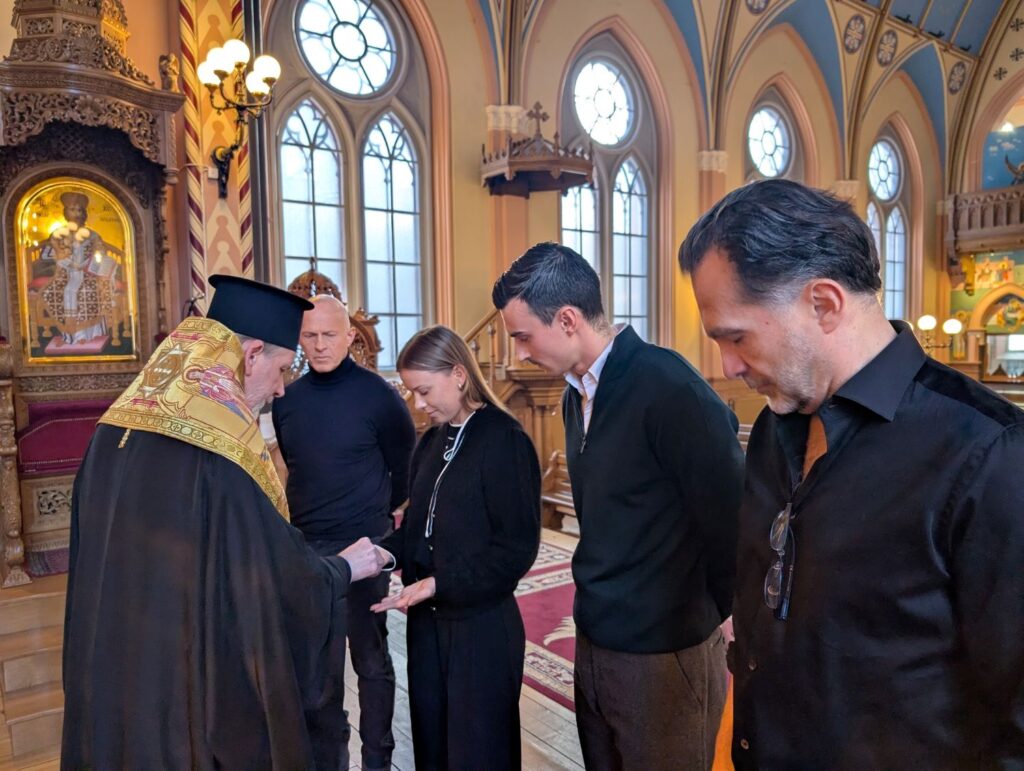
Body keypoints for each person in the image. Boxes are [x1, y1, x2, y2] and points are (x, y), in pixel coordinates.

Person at [678, 178, 1024, 768]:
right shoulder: (774, 430)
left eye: (735, 337)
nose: (728, 366)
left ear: (824, 303)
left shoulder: (989, 452)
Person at [62, 274, 387, 770]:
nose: (281, 388)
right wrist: (342, 569)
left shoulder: (113, 429)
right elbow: (272, 581)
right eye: (282, 369)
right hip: (184, 700)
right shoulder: (221, 458)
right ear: (250, 356)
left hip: (113, 680)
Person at [492, 243, 744, 771]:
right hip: (596, 637)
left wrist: (706, 618)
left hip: (664, 648)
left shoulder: (669, 388)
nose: (519, 353)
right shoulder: (575, 394)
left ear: (567, 320)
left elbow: (732, 520)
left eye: (523, 336)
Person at [370, 325, 541, 770]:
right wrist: (383, 553)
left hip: (481, 630)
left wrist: (438, 584)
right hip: (427, 627)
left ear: (459, 375)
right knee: (433, 749)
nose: (418, 404)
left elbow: (516, 550)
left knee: (478, 755)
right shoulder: (430, 442)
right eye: (411, 392)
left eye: (424, 391)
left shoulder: (505, 440)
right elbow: (418, 529)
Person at [272, 294, 416, 771]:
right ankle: (329, 759)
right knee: (319, 669)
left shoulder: (380, 396)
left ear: (350, 336)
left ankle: (378, 760)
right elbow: (294, 466)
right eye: (309, 336)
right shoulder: (287, 400)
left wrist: (377, 522)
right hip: (309, 550)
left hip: (367, 546)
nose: (319, 345)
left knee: (371, 661)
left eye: (329, 335)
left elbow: (406, 470)